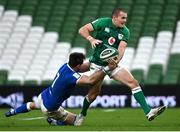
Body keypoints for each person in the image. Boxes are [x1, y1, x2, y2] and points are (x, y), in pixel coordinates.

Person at [75, 8, 166, 126]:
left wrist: (115, 61)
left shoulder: (125, 31)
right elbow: (82, 30)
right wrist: (91, 39)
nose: (125, 20)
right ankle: (82, 114)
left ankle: (148, 111)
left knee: (133, 82)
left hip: (112, 63)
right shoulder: (102, 22)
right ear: (114, 17)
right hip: (97, 64)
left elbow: (121, 49)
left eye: (126, 18)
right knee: (93, 95)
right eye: (123, 18)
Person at [5, 52, 117, 126]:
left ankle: (13, 111)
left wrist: (96, 63)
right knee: (77, 121)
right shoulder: (71, 76)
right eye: (81, 64)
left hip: (44, 95)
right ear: (78, 65)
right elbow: (91, 81)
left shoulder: (65, 66)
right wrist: (107, 69)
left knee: (32, 105)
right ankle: (55, 121)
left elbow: (83, 70)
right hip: (51, 107)